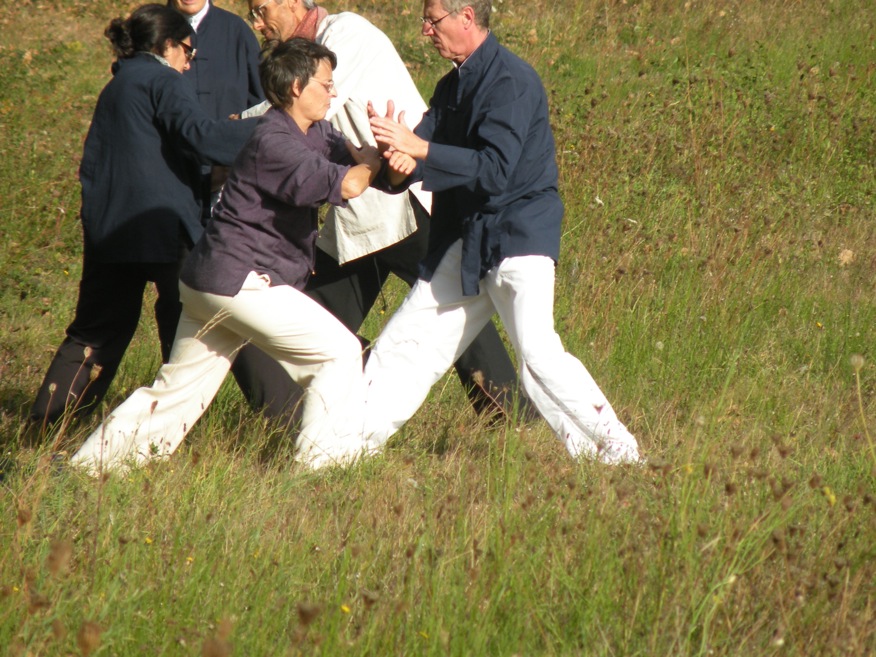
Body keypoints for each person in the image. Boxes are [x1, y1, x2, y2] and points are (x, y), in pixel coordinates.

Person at [71, 38, 399, 474]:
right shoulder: (273, 141)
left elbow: (361, 168)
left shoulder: (315, 131)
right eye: (326, 84)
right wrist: (371, 163)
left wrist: (390, 156)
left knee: (177, 392)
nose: (333, 92)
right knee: (338, 352)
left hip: (212, 281)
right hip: (239, 283)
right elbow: (351, 183)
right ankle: (322, 468)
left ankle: (89, 468)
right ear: (297, 86)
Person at [363, 0, 643, 464]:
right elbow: (417, 161)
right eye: (425, 22)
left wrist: (419, 149)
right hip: (467, 241)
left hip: (517, 237)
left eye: (432, 21)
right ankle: (344, 448)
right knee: (404, 343)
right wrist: (394, 154)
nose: (425, 32)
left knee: (537, 358)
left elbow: (494, 171)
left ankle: (619, 452)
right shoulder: (450, 86)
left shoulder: (511, 81)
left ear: (466, 17)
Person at [229, 0, 532, 423]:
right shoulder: (303, 55)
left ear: (293, 2)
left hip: (405, 201)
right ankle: (353, 399)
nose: (258, 24)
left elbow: (297, 111)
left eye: (262, 10)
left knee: (453, 308)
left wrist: (225, 129)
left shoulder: (345, 34)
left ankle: (513, 417)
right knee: (309, 319)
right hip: (358, 214)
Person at [29, 4, 255, 430]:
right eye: (188, 51)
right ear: (168, 45)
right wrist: (270, 127)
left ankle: (46, 430)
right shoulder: (162, 80)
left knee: (94, 334)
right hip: (162, 226)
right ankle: (166, 429)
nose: (189, 63)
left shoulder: (118, 86)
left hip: (110, 230)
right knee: (199, 325)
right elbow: (202, 137)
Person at [168, 0, 264, 217]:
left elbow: (260, 106)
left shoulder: (236, 30)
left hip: (230, 186)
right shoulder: (152, 30)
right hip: (170, 179)